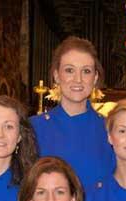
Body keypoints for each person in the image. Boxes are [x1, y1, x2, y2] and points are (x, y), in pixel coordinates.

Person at [30, 36, 115, 189]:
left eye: (86, 71)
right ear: (57, 76)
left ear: (95, 77)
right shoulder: (33, 128)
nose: (78, 79)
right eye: (69, 70)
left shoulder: (110, 130)